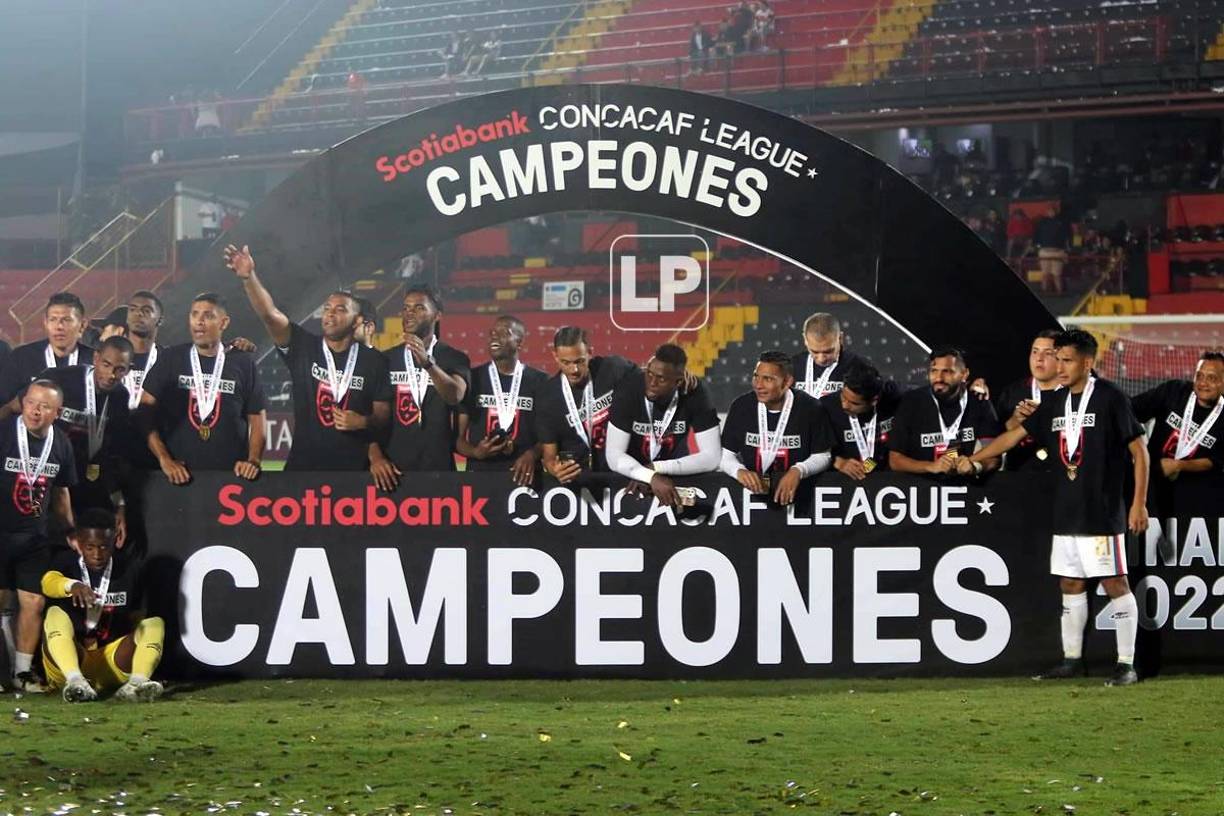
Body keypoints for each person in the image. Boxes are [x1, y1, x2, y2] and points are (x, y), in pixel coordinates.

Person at [961, 331, 1148, 686]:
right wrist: (974, 458)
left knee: (1115, 583)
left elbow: (1141, 453)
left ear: (1087, 363)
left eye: (1067, 360)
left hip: (1102, 510)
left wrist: (1139, 504)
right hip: (1066, 511)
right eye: (1057, 359)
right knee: (1071, 583)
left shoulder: (1111, 398)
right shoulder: (1054, 402)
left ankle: (1127, 664)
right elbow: (1011, 438)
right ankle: (1071, 659)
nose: (1059, 367)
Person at [225, 244, 392, 477]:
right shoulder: (304, 347)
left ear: (357, 321)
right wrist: (248, 277)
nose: (330, 313)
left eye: (341, 309)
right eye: (327, 308)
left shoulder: (374, 362)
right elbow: (270, 315)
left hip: (354, 474)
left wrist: (364, 422)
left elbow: (383, 416)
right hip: (303, 470)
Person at [0, 337, 134, 531]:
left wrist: (119, 504)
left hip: (84, 478)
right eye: (106, 364)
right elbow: (12, 407)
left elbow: (111, 453)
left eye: (120, 369)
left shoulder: (120, 397)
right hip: (44, 471)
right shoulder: (60, 378)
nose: (111, 374)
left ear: (128, 369)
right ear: (96, 358)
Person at [140, 293, 267, 485]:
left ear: (224, 323)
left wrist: (254, 460)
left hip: (231, 479)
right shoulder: (171, 358)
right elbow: (144, 413)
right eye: (194, 314)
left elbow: (257, 419)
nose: (198, 321)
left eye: (207, 316)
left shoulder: (242, 363)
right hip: (177, 476)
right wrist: (164, 459)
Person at [40, 508, 164, 702]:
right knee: (55, 614)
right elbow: (48, 582)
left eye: (104, 547)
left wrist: (139, 651)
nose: (97, 554)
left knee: (154, 624)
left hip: (111, 661)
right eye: (90, 547)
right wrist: (72, 585)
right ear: (79, 543)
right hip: (71, 659)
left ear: (114, 541)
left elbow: (137, 617)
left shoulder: (130, 569)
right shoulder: (66, 563)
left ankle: (136, 685)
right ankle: (75, 682)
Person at [0, 379, 77, 692]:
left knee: (33, 602)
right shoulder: (4, 433)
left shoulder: (61, 444)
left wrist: (71, 529)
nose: (36, 411)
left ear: (56, 412)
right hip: (1, 532)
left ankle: (22, 673)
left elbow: (61, 493)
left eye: (45, 406)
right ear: (23, 403)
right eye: (31, 403)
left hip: (35, 536)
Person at [605, 344, 721, 507]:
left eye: (661, 378)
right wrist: (648, 476)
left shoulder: (695, 392)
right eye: (649, 374)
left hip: (676, 479)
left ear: (679, 381)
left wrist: (656, 468)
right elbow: (613, 455)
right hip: (631, 479)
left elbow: (712, 457)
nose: (651, 383)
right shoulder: (628, 389)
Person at [377, 286, 470, 484]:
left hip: (439, 469)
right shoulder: (386, 359)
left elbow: (455, 395)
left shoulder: (454, 357)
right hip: (394, 472)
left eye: (419, 307)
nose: (409, 313)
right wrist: (376, 457)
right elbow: (376, 418)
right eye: (406, 308)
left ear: (437, 316)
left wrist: (428, 364)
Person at [720, 350, 831, 505]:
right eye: (756, 376)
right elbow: (726, 457)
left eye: (768, 379)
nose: (758, 385)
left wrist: (798, 471)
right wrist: (738, 471)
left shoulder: (811, 408)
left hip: (800, 499)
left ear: (787, 382)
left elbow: (823, 456)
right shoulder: (741, 406)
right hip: (750, 499)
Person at [535, 326, 638, 484]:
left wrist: (681, 377)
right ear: (555, 356)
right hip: (581, 481)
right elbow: (549, 456)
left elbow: (651, 380)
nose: (574, 370)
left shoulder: (613, 369)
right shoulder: (548, 397)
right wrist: (555, 469)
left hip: (625, 474)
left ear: (590, 352)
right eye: (566, 362)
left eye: (579, 361)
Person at [1131, 352, 1224, 524]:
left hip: (1195, 499)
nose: (1203, 383)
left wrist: (1179, 465)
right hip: (1151, 486)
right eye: (1199, 376)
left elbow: (1217, 460)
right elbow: (1132, 410)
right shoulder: (1174, 390)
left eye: (1212, 378)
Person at [457, 316, 548, 486]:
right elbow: (458, 439)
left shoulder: (540, 381)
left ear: (519, 343)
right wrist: (476, 452)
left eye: (504, 332)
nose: (495, 336)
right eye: (492, 333)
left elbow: (550, 436)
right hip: (480, 478)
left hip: (525, 478)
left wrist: (532, 454)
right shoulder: (472, 379)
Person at [889, 347, 1002, 476]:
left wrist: (975, 466)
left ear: (964, 374)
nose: (939, 378)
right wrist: (930, 467)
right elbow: (895, 460)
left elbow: (994, 456)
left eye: (947, 371)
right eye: (934, 371)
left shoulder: (978, 401)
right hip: (921, 489)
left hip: (967, 489)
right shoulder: (912, 402)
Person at [0, 292, 94, 404]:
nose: (59, 326)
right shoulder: (22, 357)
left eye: (67, 320)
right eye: (53, 319)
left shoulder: (94, 361)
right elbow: (5, 406)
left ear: (82, 325)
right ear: (45, 323)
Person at [992, 329, 1063, 471]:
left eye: (1048, 353)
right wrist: (1012, 423)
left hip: (1062, 476)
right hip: (1020, 476)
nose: (1039, 358)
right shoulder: (1012, 392)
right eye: (1035, 351)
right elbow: (993, 438)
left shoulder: (1075, 393)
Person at [821, 359, 898, 479]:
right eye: (843, 397)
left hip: (886, 481)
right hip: (837, 483)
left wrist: (870, 464)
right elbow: (808, 448)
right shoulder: (825, 407)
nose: (844, 405)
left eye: (854, 403)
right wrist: (838, 462)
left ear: (874, 401)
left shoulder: (893, 401)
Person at [790, 312, 871, 399]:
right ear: (805, 339)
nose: (821, 359)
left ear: (840, 338)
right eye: (815, 352)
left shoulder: (860, 366)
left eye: (828, 352)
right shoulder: (791, 366)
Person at [1035, 206, 1070, 295]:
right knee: (1045, 274)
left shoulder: (1062, 222)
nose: (1051, 212)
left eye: (1053, 210)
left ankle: (1059, 292)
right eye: (1049, 210)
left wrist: (1066, 252)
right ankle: (1044, 291)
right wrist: (1037, 247)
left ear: (1056, 211)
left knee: (1057, 275)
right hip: (1045, 251)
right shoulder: (1042, 222)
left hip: (1058, 251)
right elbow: (1037, 235)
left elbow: (1067, 237)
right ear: (1047, 211)